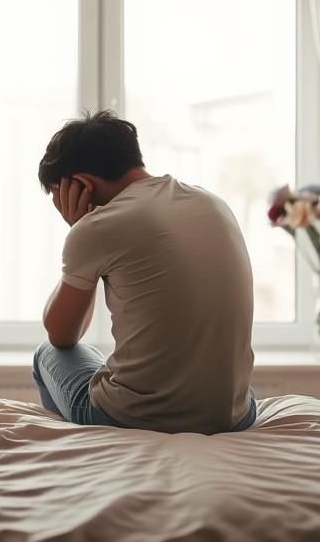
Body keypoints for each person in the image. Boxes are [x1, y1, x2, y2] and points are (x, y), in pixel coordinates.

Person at [32, 110, 256, 435]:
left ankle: (75, 451)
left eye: (59, 196)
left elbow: (62, 335)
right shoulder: (214, 204)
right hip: (235, 415)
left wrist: (81, 229)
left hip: (139, 418)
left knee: (46, 354)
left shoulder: (97, 228)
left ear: (81, 185)